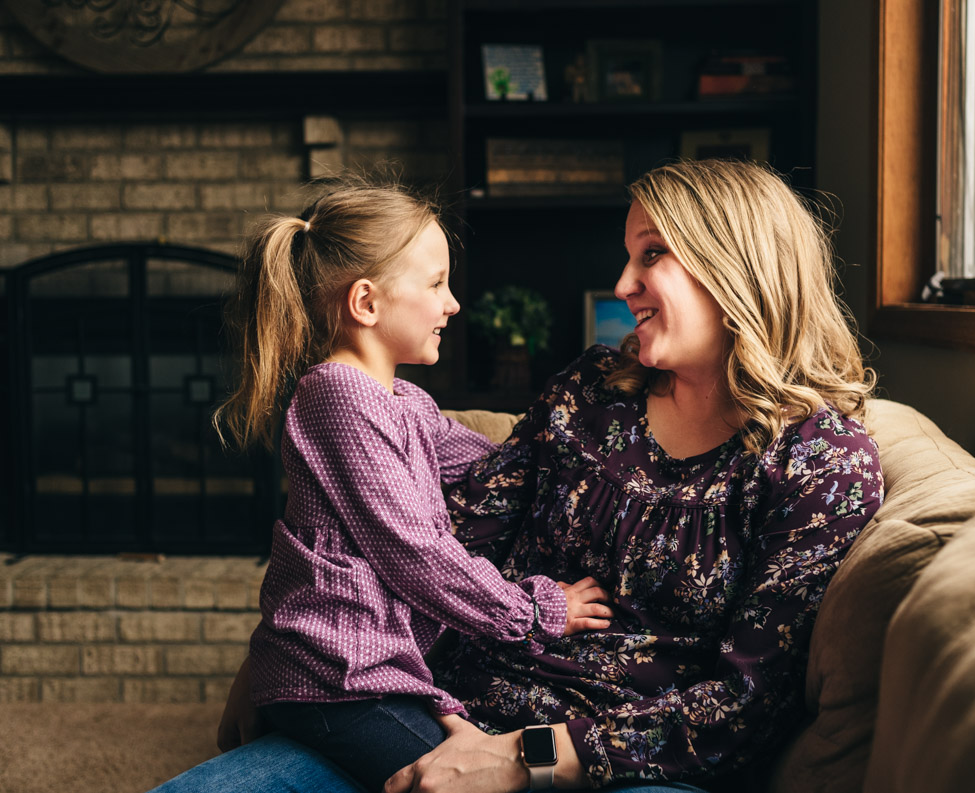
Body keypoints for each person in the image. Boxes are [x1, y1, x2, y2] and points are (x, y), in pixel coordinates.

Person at [150, 158, 884, 793]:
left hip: (623, 764)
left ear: (737, 265)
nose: (623, 282)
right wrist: (280, 652)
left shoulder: (821, 463)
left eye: (651, 254)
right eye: (628, 254)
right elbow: (438, 530)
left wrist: (521, 757)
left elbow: (745, 707)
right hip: (439, 707)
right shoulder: (593, 391)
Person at [207, 179, 613, 792]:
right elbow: (415, 553)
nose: (453, 304)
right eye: (435, 284)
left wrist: (601, 439)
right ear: (366, 303)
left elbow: (499, 467)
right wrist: (536, 608)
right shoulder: (336, 396)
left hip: (375, 672)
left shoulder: (405, 403)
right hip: (337, 679)